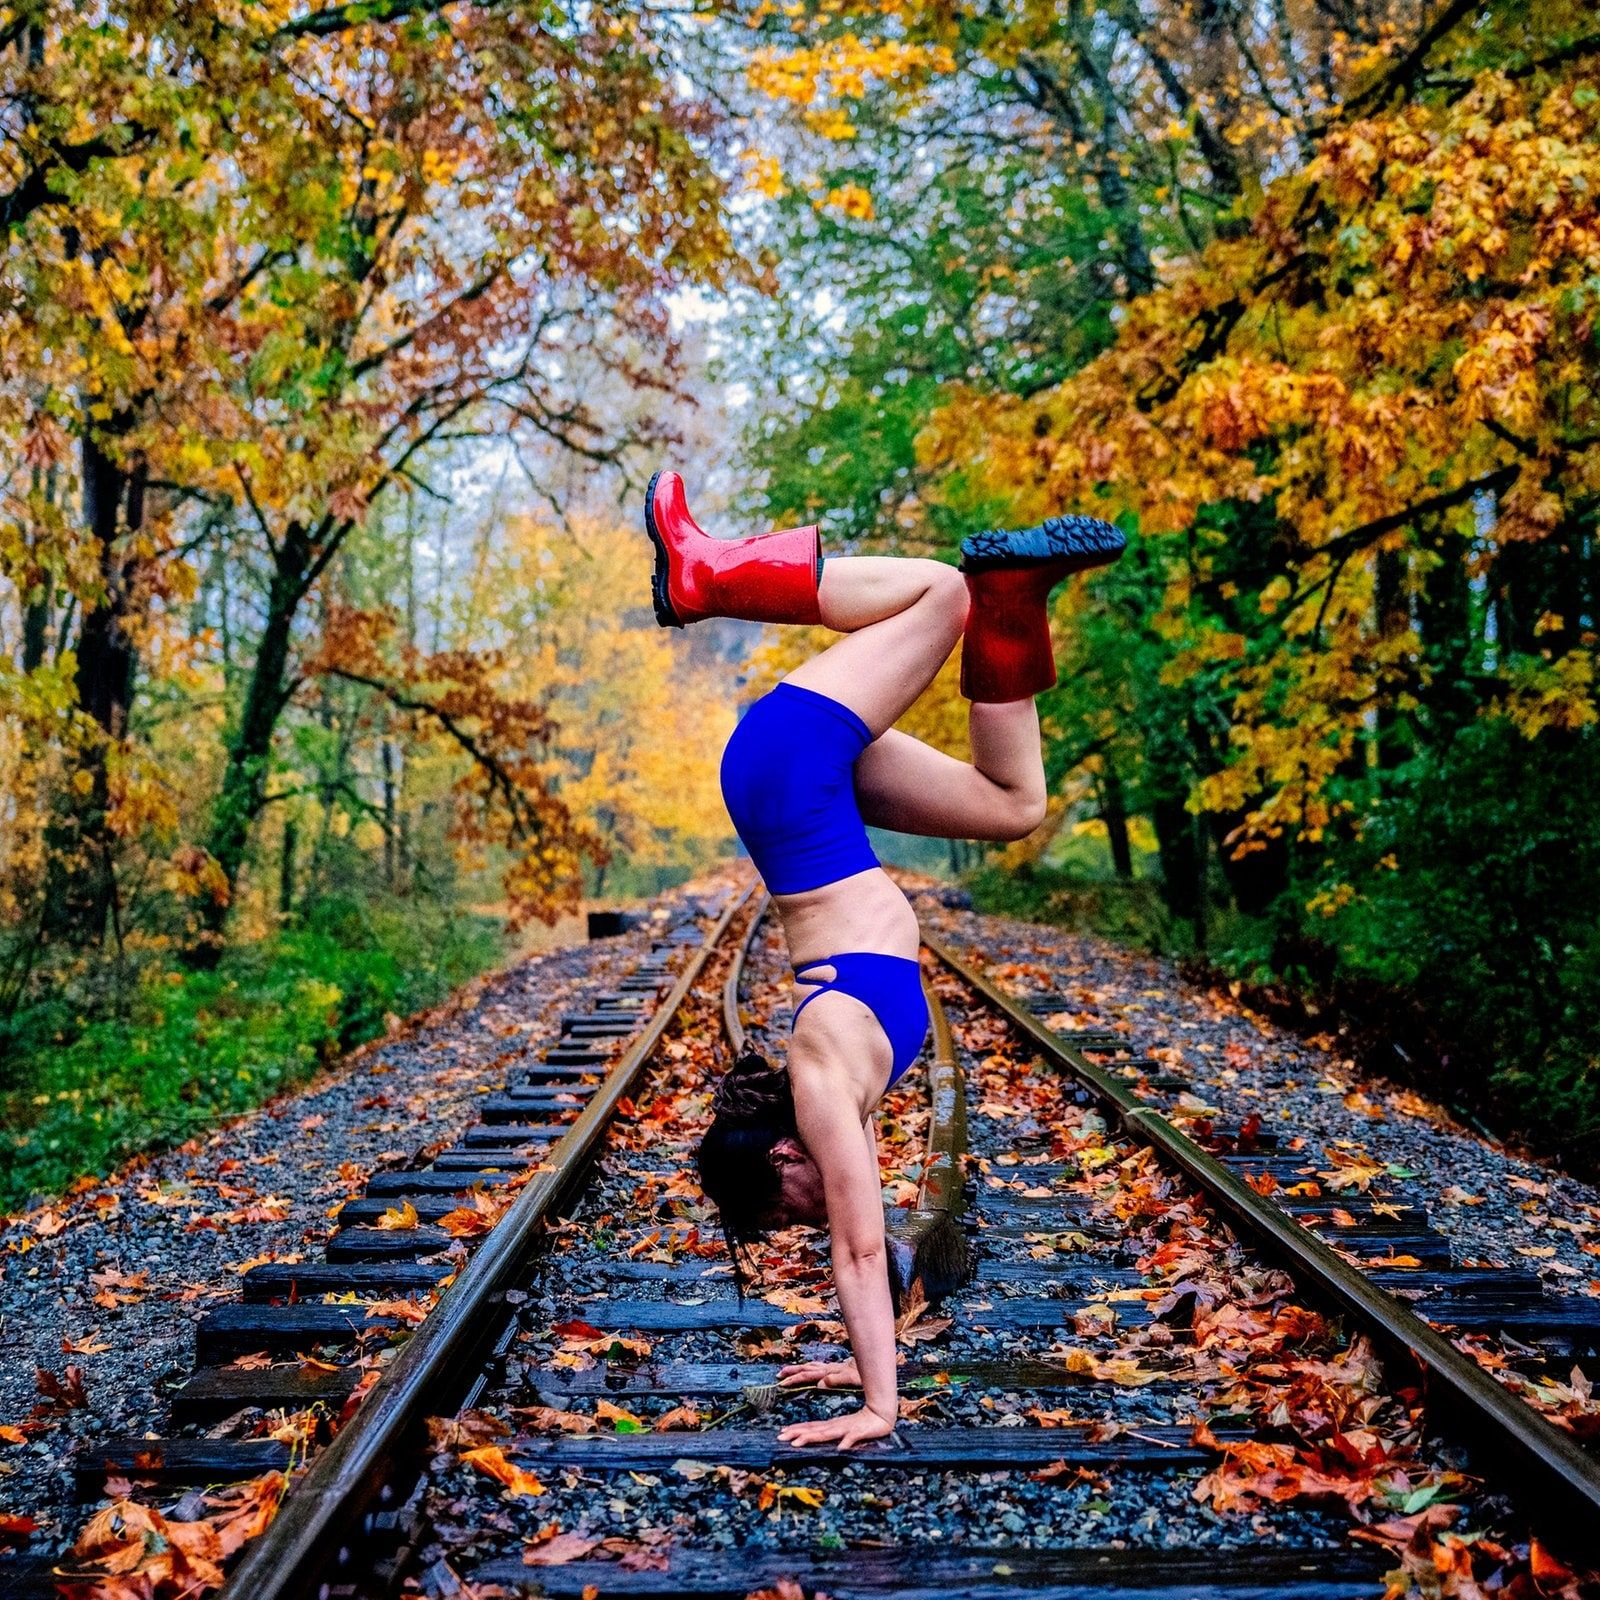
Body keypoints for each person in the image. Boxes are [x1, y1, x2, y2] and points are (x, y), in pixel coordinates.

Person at [644, 470, 1125, 1449]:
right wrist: (866, 1362)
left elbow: (859, 1251)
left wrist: (874, 1410)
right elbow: (862, 1258)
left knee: (934, 595)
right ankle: (1013, 605)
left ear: (782, 1156)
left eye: (781, 1211)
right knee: (1011, 802)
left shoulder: (821, 1083)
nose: (803, 1221)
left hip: (784, 768)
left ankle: (705, 573)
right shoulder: (837, 1092)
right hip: (800, 781)